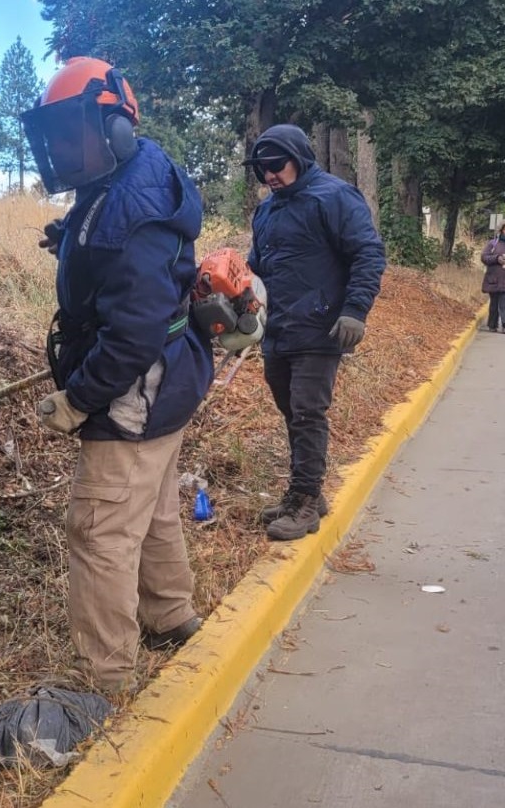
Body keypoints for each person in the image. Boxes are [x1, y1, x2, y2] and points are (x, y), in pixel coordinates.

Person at [21, 57, 212, 694]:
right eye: (52, 135)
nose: (58, 147)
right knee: (153, 508)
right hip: (170, 388)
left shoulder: (131, 204)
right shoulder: (128, 174)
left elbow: (131, 334)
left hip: (133, 391)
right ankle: (171, 615)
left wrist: (78, 399)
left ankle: (103, 678)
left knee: (100, 529)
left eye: (69, 131)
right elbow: (113, 239)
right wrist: (70, 237)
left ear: (116, 128)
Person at [242, 124, 386, 541]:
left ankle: (305, 500)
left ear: (299, 157)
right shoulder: (267, 210)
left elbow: (368, 253)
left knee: (308, 411)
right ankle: (305, 493)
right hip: (278, 328)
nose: (269, 174)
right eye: (261, 168)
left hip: (320, 327)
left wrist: (355, 310)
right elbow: (258, 267)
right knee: (291, 411)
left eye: (276, 165)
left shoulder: (334, 196)